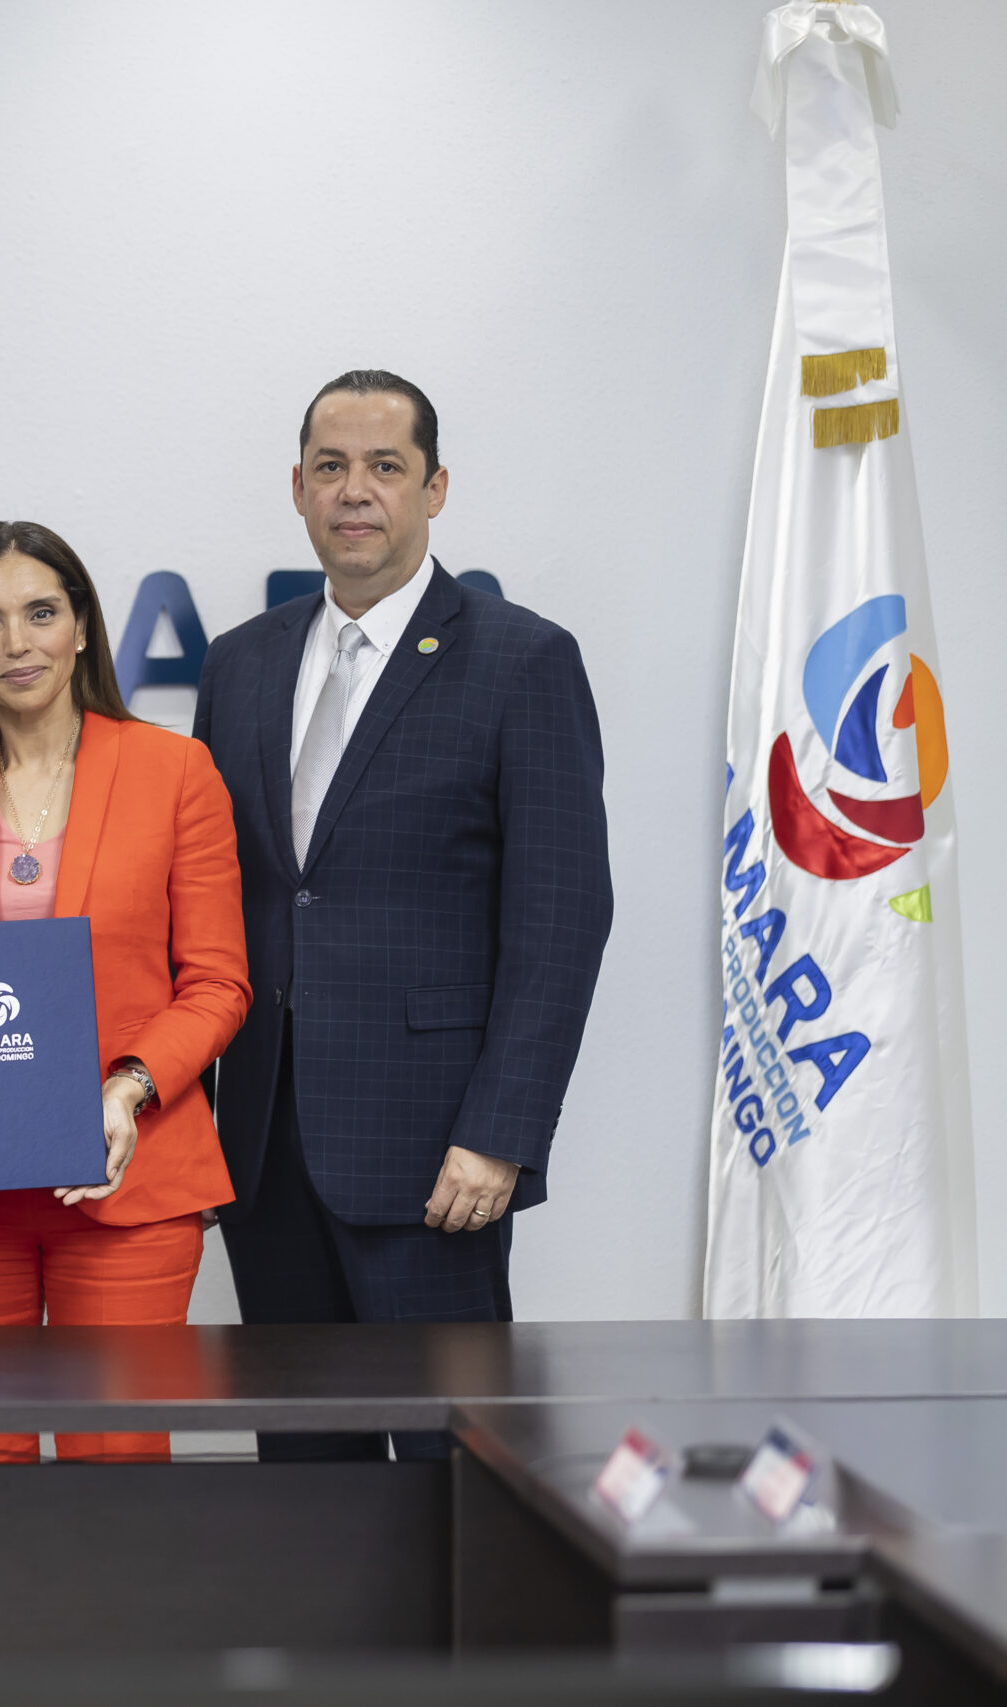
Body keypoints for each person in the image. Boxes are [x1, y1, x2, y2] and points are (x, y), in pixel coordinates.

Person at [192, 370, 613, 1460]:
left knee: (453, 1471)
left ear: (435, 488)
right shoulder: (239, 665)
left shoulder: (522, 659)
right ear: (296, 487)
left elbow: (562, 919)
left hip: (435, 1156)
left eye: (385, 466)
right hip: (264, 1150)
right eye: (330, 467)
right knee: (304, 1475)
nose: (355, 491)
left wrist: (501, 1135)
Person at [0, 521, 251, 1465]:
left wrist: (126, 1088)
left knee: (114, 1470)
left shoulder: (175, 773)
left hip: (128, 1180)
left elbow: (216, 982)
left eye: (41, 613)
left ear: (81, 626)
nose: (17, 643)